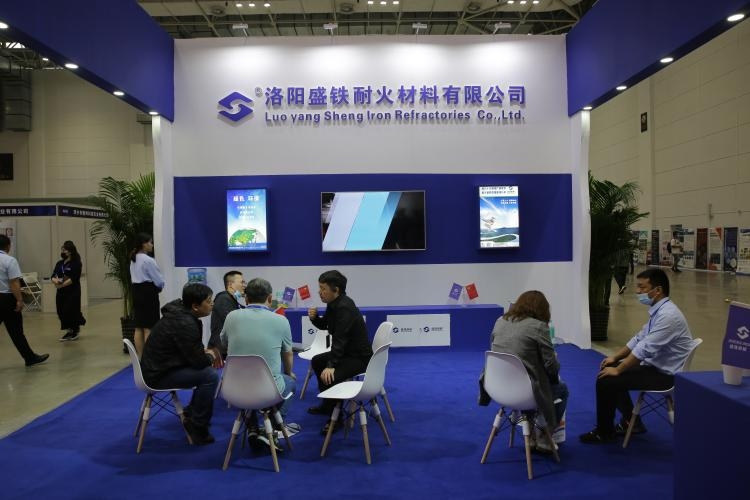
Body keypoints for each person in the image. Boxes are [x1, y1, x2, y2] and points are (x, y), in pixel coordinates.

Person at [580, 268, 695, 444]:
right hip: (657, 367)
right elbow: (639, 338)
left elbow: (644, 350)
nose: (638, 291)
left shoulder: (668, 316)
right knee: (609, 368)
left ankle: (604, 432)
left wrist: (619, 369)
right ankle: (631, 422)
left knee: (607, 380)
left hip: (665, 375)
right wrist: (614, 358)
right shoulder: (660, 311)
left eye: (642, 287)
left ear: (657, 290)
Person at [221, 278, 298, 448]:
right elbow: (288, 353)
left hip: (233, 388)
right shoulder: (281, 320)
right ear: (270, 298)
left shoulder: (231, 316)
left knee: (247, 389)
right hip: (268, 390)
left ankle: (252, 428)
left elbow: (224, 343)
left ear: (246, 299)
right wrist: (288, 372)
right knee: (290, 382)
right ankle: (271, 430)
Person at [140, 283, 220, 445]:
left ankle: (192, 413)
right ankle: (198, 426)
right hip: (158, 375)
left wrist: (203, 354)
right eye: (209, 301)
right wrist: (211, 356)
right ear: (195, 306)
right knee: (210, 375)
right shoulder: (185, 322)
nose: (212, 304)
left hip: (160, 367)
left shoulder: (180, 314)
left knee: (206, 371)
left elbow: (190, 351)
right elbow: (198, 362)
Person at [489, 291, 568, 450]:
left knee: (531, 384)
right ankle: (544, 437)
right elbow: (551, 366)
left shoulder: (500, 322)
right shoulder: (539, 327)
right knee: (561, 389)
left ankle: (531, 435)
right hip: (525, 393)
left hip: (497, 389)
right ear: (543, 309)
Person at [307, 270, 373, 434]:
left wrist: (331, 365)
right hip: (347, 353)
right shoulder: (333, 303)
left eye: (323, 288)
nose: (319, 292)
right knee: (317, 361)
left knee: (331, 375)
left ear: (335, 290)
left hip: (359, 358)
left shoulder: (344, 307)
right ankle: (328, 405)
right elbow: (325, 325)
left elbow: (340, 339)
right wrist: (314, 319)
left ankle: (336, 419)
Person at [0, 235, 48, 367]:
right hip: (7, 299)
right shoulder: (10, 260)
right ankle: (30, 358)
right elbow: (14, 283)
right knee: (16, 331)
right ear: (8, 246)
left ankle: (30, 357)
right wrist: (19, 300)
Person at [129, 233, 164, 356]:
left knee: (139, 327)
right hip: (148, 293)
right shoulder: (148, 260)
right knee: (149, 327)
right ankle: (150, 358)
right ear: (144, 244)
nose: (152, 245)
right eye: (150, 242)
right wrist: (159, 287)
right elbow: (159, 281)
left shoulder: (133, 258)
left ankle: (141, 357)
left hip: (136, 292)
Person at [51, 241, 87, 341]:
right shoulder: (59, 263)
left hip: (72, 292)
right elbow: (53, 275)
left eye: (65, 250)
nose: (63, 251)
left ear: (70, 251)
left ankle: (74, 330)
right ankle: (69, 330)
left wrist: (61, 285)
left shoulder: (76, 263)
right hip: (61, 292)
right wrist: (55, 280)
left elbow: (74, 278)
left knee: (70, 310)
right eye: (62, 250)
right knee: (60, 311)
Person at [209, 270, 245, 359]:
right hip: (221, 352)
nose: (244, 285)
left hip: (227, 350)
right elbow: (233, 322)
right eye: (241, 282)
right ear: (230, 285)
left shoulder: (232, 300)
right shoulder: (223, 299)